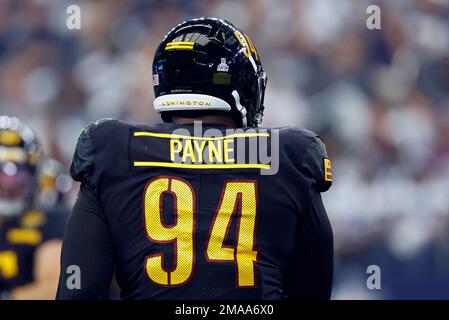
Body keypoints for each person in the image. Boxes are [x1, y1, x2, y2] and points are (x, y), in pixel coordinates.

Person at [56, 17, 334, 300]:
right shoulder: (289, 153)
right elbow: (314, 291)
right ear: (243, 83)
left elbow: (80, 290)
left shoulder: (111, 148)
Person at [0, 116, 66, 300]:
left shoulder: (49, 218)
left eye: (19, 172)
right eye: (1, 172)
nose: (9, 183)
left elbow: (54, 288)